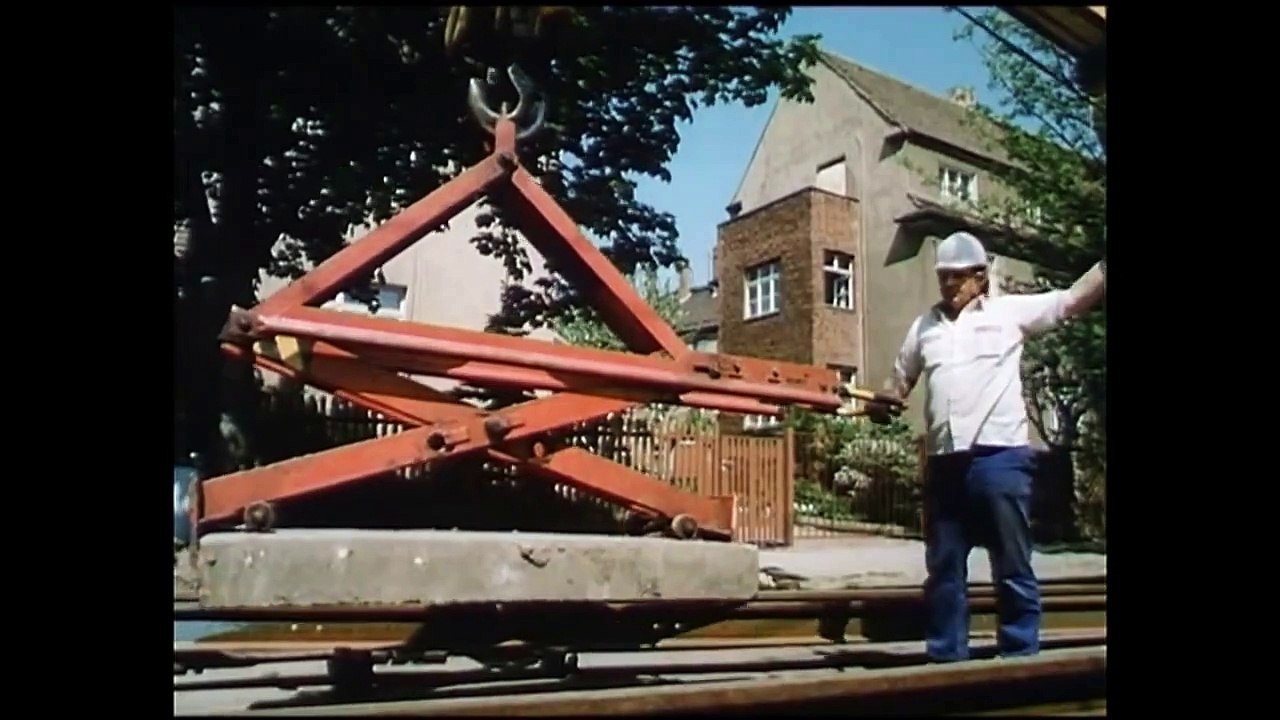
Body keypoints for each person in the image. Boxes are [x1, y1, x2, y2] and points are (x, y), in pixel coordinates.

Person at [866, 231, 1105, 662]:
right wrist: (883, 401)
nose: (949, 285)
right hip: (945, 463)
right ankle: (946, 658)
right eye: (943, 277)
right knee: (944, 567)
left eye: (958, 277)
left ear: (980, 277)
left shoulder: (1008, 313)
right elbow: (899, 380)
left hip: (1002, 459)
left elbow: (1069, 301)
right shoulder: (924, 328)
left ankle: (1018, 655)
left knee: (1012, 561)